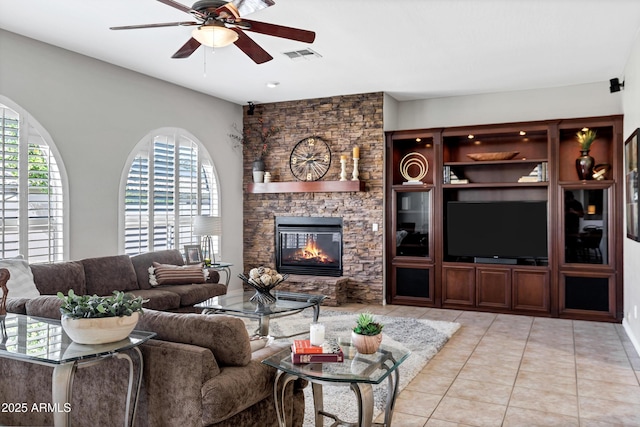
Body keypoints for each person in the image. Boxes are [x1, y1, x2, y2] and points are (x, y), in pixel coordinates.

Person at [565, 191, 584, 262]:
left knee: (573, 245)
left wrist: (574, 212)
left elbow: (582, 215)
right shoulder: (563, 203)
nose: (568, 200)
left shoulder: (577, 204)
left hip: (574, 227)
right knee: (563, 245)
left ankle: (573, 261)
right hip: (563, 226)